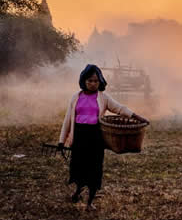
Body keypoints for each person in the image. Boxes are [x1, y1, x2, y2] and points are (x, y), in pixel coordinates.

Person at [58, 64, 148, 210]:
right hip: (79, 137)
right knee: (79, 167)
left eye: (96, 80)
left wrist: (138, 117)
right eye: (89, 81)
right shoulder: (76, 97)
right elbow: (68, 120)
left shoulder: (103, 98)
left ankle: (89, 202)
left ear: (100, 81)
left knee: (94, 169)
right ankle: (78, 191)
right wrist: (62, 141)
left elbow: (120, 108)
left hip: (95, 138)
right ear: (83, 81)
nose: (93, 84)